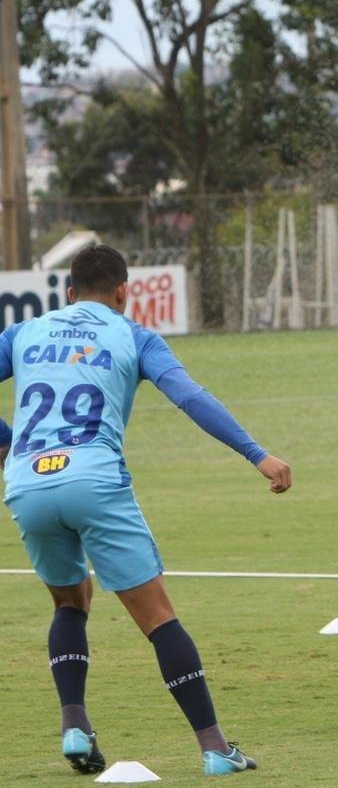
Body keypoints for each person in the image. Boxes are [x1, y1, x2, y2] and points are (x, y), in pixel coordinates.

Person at [0, 245, 292, 775]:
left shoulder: (23, 333)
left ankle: (74, 725)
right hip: (93, 478)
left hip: (27, 482)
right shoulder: (133, 335)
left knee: (70, 602)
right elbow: (190, 396)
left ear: (68, 294)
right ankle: (215, 748)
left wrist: (12, 439)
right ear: (122, 292)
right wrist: (257, 454)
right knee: (158, 618)